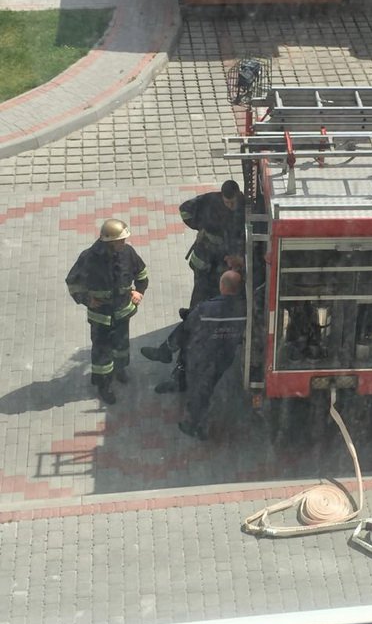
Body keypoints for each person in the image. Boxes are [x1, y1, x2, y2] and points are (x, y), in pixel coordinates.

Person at [140, 271, 246, 440]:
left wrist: (189, 315)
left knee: (200, 391)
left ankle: (197, 426)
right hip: (224, 357)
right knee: (206, 385)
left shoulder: (207, 308)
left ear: (222, 287)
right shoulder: (244, 309)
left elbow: (189, 325)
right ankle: (170, 360)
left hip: (203, 355)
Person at [65, 219, 148, 404]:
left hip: (122, 313)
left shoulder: (127, 253)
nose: (124, 243)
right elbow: (73, 282)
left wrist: (139, 291)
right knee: (102, 353)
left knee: (121, 346)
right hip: (101, 317)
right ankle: (103, 385)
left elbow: (142, 273)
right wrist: (87, 300)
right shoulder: (89, 258)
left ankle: (120, 369)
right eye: (120, 240)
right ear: (110, 241)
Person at [179, 180, 245, 309]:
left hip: (225, 263)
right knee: (200, 293)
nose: (230, 206)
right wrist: (201, 226)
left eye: (233, 202)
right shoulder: (210, 200)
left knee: (222, 293)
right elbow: (184, 210)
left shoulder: (244, 208)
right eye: (227, 202)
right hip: (204, 260)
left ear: (238, 195)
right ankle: (194, 315)